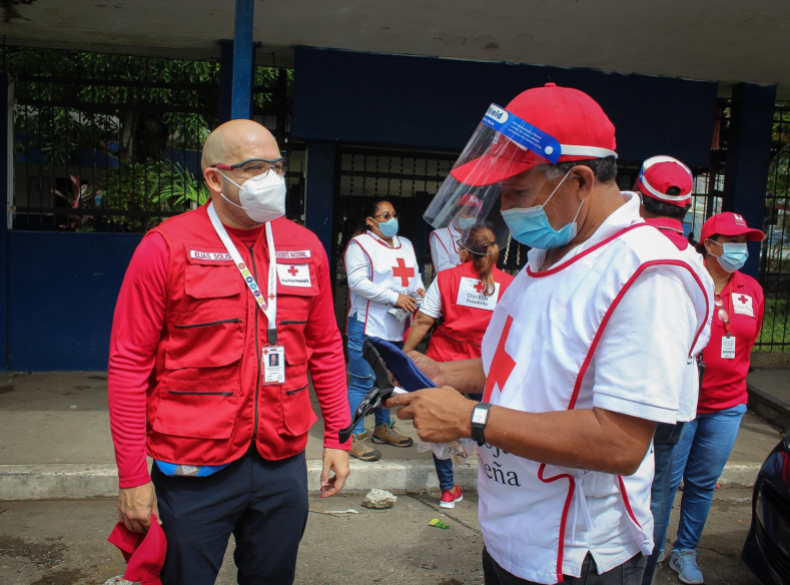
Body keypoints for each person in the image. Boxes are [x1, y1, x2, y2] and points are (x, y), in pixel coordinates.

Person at [386, 83, 711, 585]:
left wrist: (470, 418)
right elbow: (524, 363)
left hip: (575, 557)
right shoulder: (546, 256)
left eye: (517, 191)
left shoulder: (644, 275)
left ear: (579, 181)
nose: (504, 207)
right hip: (511, 532)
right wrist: (444, 373)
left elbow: (621, 442)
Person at [108, 119, 351, 585]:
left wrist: (339, 439)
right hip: (192, 466)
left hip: (282, 462)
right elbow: (128, 365)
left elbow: (325, 347)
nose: (272, 178)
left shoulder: (305, 247)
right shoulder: (166, 247)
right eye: (255, 167)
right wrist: (133, 477)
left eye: (277, 166)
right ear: (215, 179)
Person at [664, 212, 765, 585]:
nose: (741, 249)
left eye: (744, 242)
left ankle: (685, 551)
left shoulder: (752, 289)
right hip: (682, 404)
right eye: (732, 241)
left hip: (727, 406)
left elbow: (748, 341)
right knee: (665, 481)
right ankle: (650, 548)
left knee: (703, 483)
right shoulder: (687, 283)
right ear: (709, 244)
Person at [634, 156, 714, 585]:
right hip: (674, 396)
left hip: (625, 394)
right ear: (687, 206)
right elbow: (701, 337)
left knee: (613, 488)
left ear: (639, 194)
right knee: (658, 489)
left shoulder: (625, 248)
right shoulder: (696, 264)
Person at [404, 224, 514, 508]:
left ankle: (447, 490)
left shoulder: (446, 278)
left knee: (441, 425)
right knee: (487, 425)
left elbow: (424, 320)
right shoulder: (509, 284)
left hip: (443, 362)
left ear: (463, 251)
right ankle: (493, 485)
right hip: (483, 368)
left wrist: (405, 354)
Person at [344, 199, 424, 461]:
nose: (392, 220)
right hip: (367, 325)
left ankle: (382, 427)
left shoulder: (406, 244)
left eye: (394, 215)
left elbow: (415, 276)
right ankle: (352, 436)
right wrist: (394, 297)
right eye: (385, 216)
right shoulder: (360, 245)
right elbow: (357, 282)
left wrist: (420, 291)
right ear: (370, 221)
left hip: (397, 325)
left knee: (387, 382)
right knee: (363, 381)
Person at [429, 194, 483, 273]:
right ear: (455, 213)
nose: (471, 217)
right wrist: (471, 271)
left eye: (474, 215)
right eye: (467, 213)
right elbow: (442, 269)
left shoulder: (477, 237)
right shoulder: (440, 235)